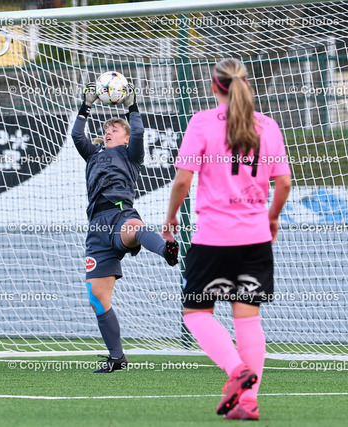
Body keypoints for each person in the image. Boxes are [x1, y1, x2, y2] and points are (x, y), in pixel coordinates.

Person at [163, 58, 291, 420]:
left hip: (214, 238)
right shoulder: (268, 125)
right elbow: (283, 183)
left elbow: (184, 181)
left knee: (195, 312)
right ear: (245, 83)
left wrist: (171, 217)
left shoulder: (201, 122)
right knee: (248, 320)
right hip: (255, 239)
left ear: (214, 86)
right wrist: (273, 218)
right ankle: (248, 402)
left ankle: (237, 372)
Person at [72, 81, 179, 373]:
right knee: (97, 297)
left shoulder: (131, 154)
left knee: (133, 228)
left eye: (115, 130)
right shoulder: (92, 154)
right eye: (106, 130)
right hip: (96, 229)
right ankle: (117, 358)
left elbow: (140, 131)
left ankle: (166, 250)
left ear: (125, 138)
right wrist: (87, 104)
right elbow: (77, 134)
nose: (108, 132)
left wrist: (132, 105)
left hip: (121, 215)